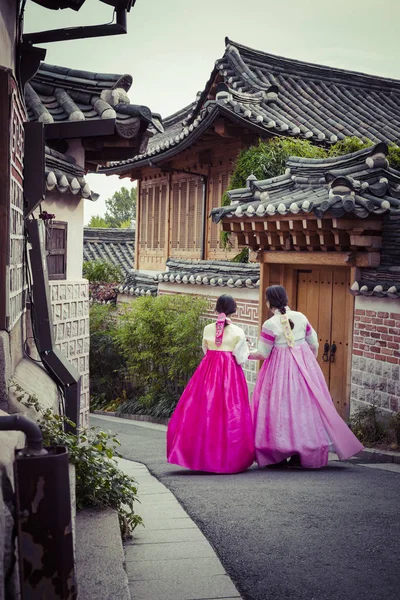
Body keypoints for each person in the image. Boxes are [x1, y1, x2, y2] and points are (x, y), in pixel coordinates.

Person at [249, 285, 363, 469]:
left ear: (269, 302)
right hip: (303, 370)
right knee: (303, 409)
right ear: (285, 299)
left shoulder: (269, 325)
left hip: (278, 374)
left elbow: (262, 353)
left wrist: (245, 353)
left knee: (279, 409)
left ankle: (278, 455)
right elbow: (313, 342)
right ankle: (300, 453)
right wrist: (307, 361)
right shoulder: (301, 317)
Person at [167, 294, 255, 473]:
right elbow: (241, 358)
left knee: (203, 409)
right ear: (234, 309)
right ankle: (229, 457)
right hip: (229, 373)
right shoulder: (238, 331)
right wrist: (247, 346)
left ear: (217, 308)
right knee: (228, 411)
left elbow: (205, 349)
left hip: (207, 371)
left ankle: (201, 456)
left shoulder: (208, 328)